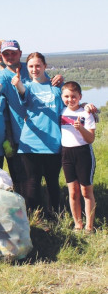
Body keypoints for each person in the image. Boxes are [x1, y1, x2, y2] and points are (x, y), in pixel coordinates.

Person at [11, 52, 65, 213]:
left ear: (45, 67)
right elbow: (22, 92)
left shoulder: (56, 86)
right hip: (31, 143)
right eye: (31, 66)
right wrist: (17, 83)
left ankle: (55, 215)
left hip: (53, 142)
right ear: (27, 68)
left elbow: (71, 100)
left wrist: (86, 107)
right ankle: (34, 217)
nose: (34, 69)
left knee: (52, 182)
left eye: (38, 66)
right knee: (32, 182)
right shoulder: (27, 86)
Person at [60, 82, 96, 232]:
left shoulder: (86, 114)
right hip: (66, 154)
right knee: (73, 192)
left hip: (83, 154)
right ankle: (77, 224)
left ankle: (89, 226)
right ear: (62, 97)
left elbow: (90, 139)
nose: (70, 99)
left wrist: (80, 128)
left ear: (80, 97)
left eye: (74, 96)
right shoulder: (60, 111)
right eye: (66, 96)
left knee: (86, 191)